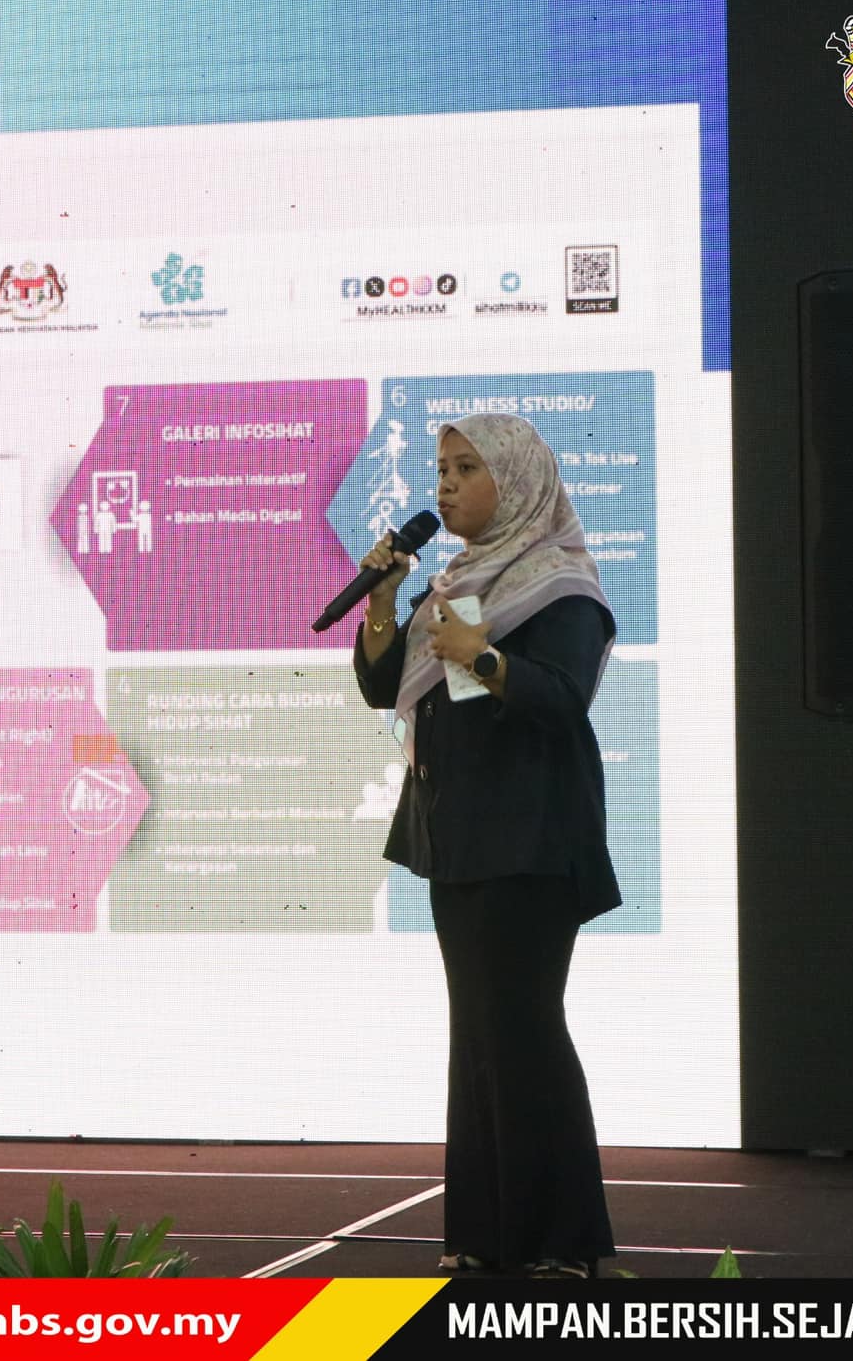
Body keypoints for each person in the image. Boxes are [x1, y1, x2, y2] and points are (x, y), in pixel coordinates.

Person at [350, 412, 620, 1279]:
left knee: (524, 1032)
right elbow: (386, 687)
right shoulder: (455, 582)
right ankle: (483, 1238)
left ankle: (565, 1245)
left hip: (533, 840)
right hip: (460, 837)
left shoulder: (560, 584)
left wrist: (486, 657)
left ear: (519, 479)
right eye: (443, 468)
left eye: (468, 467)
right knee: (478, 1036)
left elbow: (563, 697)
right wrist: (384, 603)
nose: (446, 484)